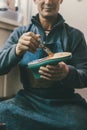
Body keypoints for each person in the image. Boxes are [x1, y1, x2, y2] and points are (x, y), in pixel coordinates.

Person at [0, 0, 87, 129]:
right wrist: (16, 50)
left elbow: (85, 76)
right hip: (28, 101)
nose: (47, 2)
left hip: (65, 103)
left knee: (79, 123)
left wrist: (67, 72)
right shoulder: (20, 33)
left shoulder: (75, 36)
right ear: (35, 0)